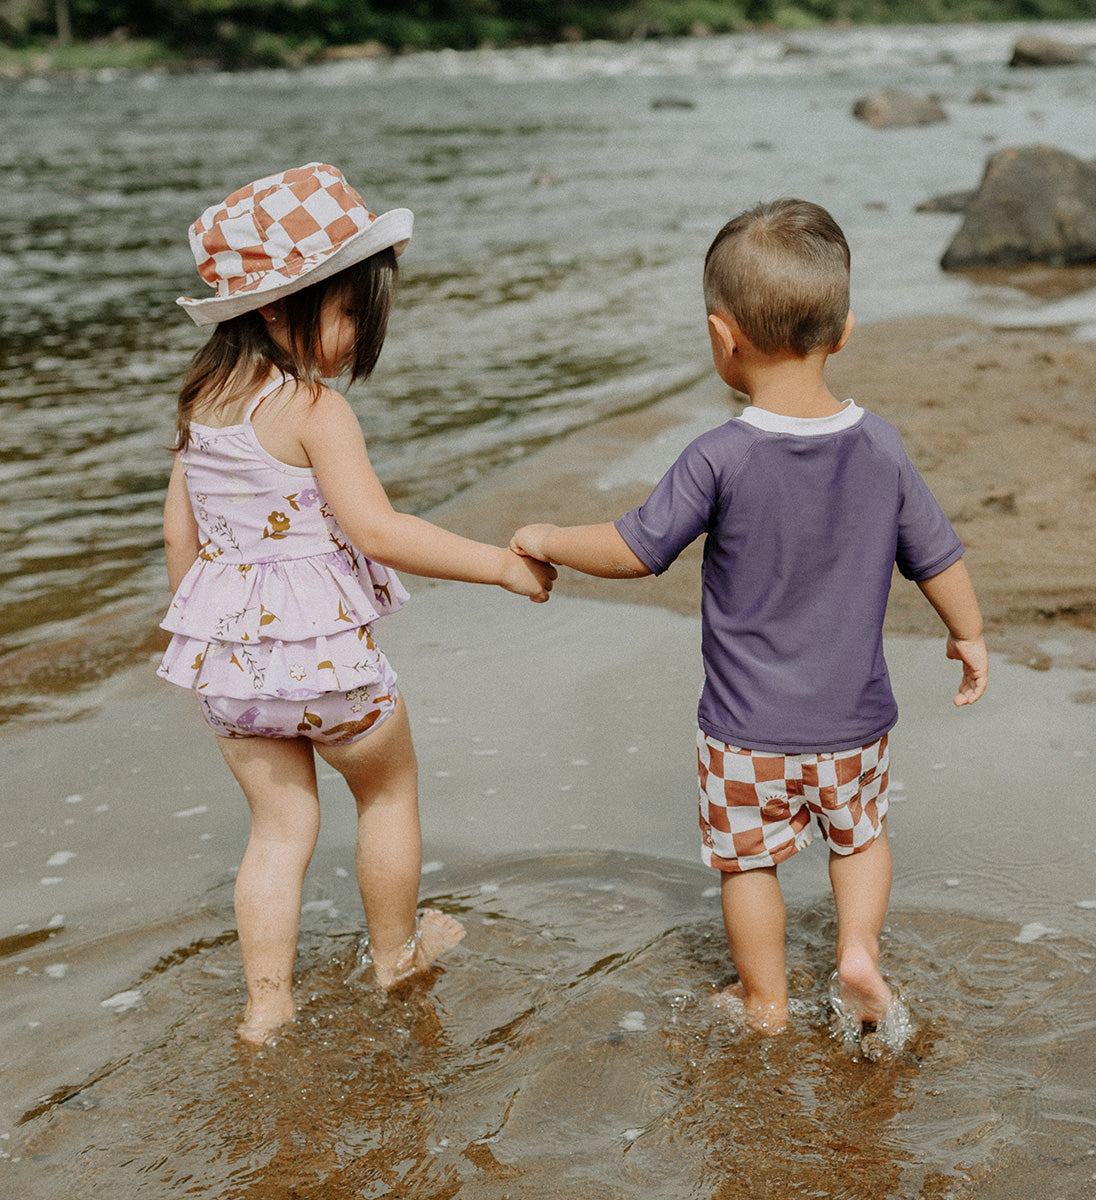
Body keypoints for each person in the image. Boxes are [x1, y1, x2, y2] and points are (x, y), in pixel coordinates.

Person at [511, 198, 986, 1039]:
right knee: (861, 840)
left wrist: (547, 537)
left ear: (721, 337)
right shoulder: (881, 445)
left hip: (745, 734)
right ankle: (857, 955)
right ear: (843, 332)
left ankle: (765, 1001)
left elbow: (635, 548)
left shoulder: (719, 456)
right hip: (853, 723)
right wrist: (969, 635)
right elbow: (937, 557)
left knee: (748, 864)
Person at [158, 162, 556, 1045]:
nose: (355, 339)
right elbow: (379, 531)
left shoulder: (200, 406)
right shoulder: (313, 409)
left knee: (278, 830)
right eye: (347, 313)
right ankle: (395, 957)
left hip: (233, 674)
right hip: (328, 668)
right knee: (387, 794)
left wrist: (210, 643)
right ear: (275, 308)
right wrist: (499, 565)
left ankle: (267, 1005)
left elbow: (180, 539)